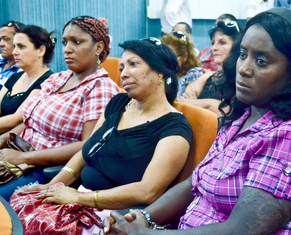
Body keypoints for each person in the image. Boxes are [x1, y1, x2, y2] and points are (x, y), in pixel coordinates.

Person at [99, 7, 291, 235]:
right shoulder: (244, 117)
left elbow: (243, 231)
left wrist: (148, 234)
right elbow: (194, 183)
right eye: (243, 54)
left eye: (261, 61)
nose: (244, 68)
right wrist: (141, 217)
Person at [17, 38, 193, 234]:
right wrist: (53, 185)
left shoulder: (174, 127)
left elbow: (148, 191)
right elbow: (86, 152)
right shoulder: (118, 103)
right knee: (18, 213)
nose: (123, 74)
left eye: (133, 64)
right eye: (122, 67)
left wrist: (77, 198)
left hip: (115, 216)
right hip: (79, 199)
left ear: (160, 71)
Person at [0, 16, 120, 201]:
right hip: (18, 153)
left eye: (77, 42)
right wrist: (4, 138)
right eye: (64, 42)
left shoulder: (100, 88)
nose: (67, 49)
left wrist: (22, 158)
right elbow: (29, 122)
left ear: (98, 48)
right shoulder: (60, 78)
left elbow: (87, 146)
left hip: (44, 169)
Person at [0, 25, 55, 134]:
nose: (14, 52)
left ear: (40, 50)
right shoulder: (15, 77)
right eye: (14, 46)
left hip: (17, 143)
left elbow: (17, 119)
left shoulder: (47, 81)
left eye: (21, 46)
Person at [179, 20, 239, 116]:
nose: (214, 48)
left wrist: (199, 103)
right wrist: (210, 104)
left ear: (237, 46)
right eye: (213, 43)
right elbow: (182, 103)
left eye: (222, 42)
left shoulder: (241, 79)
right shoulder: (207, 76)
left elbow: (228, 112)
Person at [161, 31, 205, 98]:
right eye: (164, 55)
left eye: (172, 56)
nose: (166, 60)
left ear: (184, 57)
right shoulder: (160, 74)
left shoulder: (194, 75)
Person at [0, 21, 25, 89]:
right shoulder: (1, 60)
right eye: (0, 40)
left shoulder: (23, 71)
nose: (1, 44)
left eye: (6, 39)